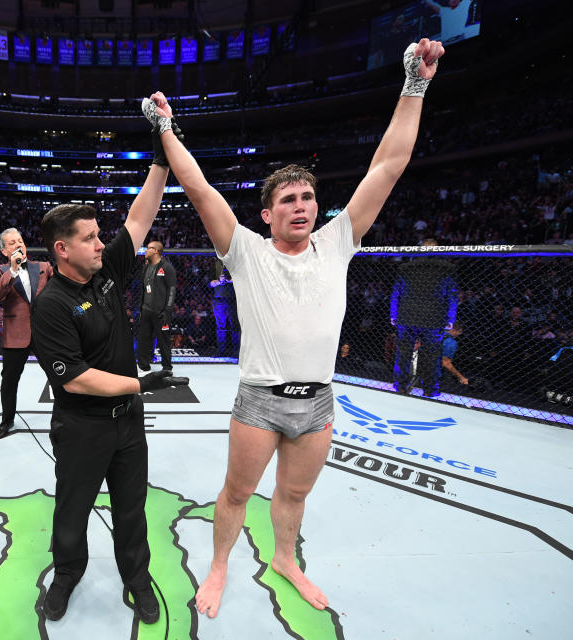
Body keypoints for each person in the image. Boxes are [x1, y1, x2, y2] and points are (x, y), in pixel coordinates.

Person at [143, 37, 445, 615]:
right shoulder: (246, 251)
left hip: (319, 404)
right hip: (260, 400)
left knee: (295, 493)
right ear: (267, 213)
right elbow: (200, 189)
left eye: (308, 197)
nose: (302, 206)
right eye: (288, 200)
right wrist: (165, 128)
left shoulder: (337, 244)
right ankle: (220, 566)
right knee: (235, 494)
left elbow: (388, 164)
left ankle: (284, 558)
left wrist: (414, 84)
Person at [30, 139, 188, 623]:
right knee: (72, 510)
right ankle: (66, 575)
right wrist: (142, 385)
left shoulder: (106, 272)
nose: (102, 244)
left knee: (131, 510)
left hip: (127, 425)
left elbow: (140, 217)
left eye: (100, 236)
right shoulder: (52, 303)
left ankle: (137, 579)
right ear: (62, 249)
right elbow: (74, 380)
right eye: (90, 238)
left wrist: (161, 157)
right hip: (82, 425)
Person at [0, 229, 54, 437]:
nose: (18, 245)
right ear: (4, 251)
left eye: (21, 241)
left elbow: (59, 293)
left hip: (44, 333)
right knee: (9, 381)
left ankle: (65, 417)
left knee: (57, 375)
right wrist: (13, 271)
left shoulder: (44, 267)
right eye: (12, 243)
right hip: (15, 335)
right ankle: (7, 420)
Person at [390, 238, 458, 396]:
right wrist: (450, 318)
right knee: (432, 355)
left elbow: (396, 293)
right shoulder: (447, 268)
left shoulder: (406, 267)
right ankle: (430, 388)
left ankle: (400, 385)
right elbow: (453, 295)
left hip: (407, 316)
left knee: (404, 353)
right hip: (434, 317)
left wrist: (394, 314)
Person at [136, 240, 177, 371]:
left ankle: (166, 367)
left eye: (149, 248)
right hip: (146, 309)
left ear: (156, 251)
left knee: (163, 340)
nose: (146, 250)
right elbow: (143, 287)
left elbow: (172, 289)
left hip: (161, 311)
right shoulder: (146, 266)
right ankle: (143, 364)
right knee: (143, 338)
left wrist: (168, 310)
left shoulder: (166, 267)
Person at [209, 258, 239, 357]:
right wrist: (219, 281)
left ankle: (236, 351)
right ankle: (221, 351)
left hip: (232, 298)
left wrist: (229, 280)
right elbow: (210, 283)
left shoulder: (234, 262)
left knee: (235, 325)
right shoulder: (216, 264)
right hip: (219, 299)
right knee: (220, 326)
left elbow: (241, 279)